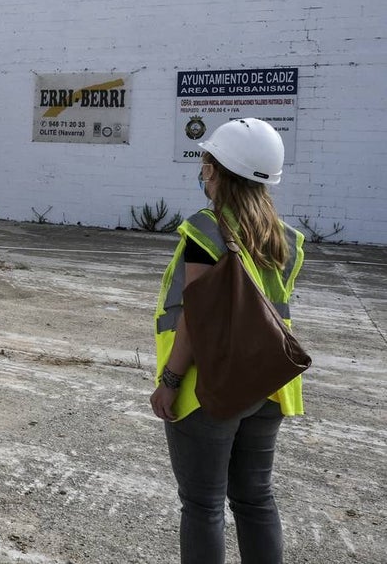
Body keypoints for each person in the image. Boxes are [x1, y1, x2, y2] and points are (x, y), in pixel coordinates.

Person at [150, 118, 306, 564]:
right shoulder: (287, 238)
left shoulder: (206, 230)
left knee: (202, 506)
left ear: (216, 171)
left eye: (206, 163)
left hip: (211, 387)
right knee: (255, 500)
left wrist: (171, 379)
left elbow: (197, 321)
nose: (202, 172)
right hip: (271, 382)